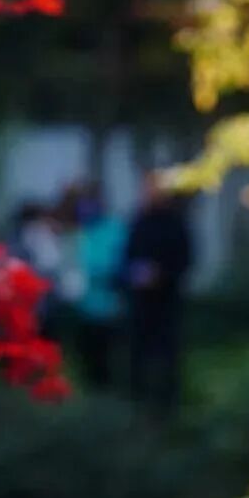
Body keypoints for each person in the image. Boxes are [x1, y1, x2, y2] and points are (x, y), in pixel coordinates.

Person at [123, 171, 193, 416]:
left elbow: (185, 261)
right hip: (141, 302)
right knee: (138, 355)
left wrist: (161, 275)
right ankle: (137, 405)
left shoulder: (176, 224)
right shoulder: (138, 222)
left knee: (168, 356)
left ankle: (169, 407)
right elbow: (127, 257)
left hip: (167, 301)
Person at [68, 182, 126, 391]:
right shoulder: (81, 231)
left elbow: (116, 264)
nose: (85, 209)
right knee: (86, 359)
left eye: (89, 203)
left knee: (107, 359)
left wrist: (94, 273)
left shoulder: (115, 228)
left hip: (110, 306)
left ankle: (108, 397)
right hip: (84, 307)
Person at [8, 201, 64, 339]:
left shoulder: (20, 235)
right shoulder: (37, 233)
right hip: (34, 295)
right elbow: (50, 263)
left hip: (35, 295)